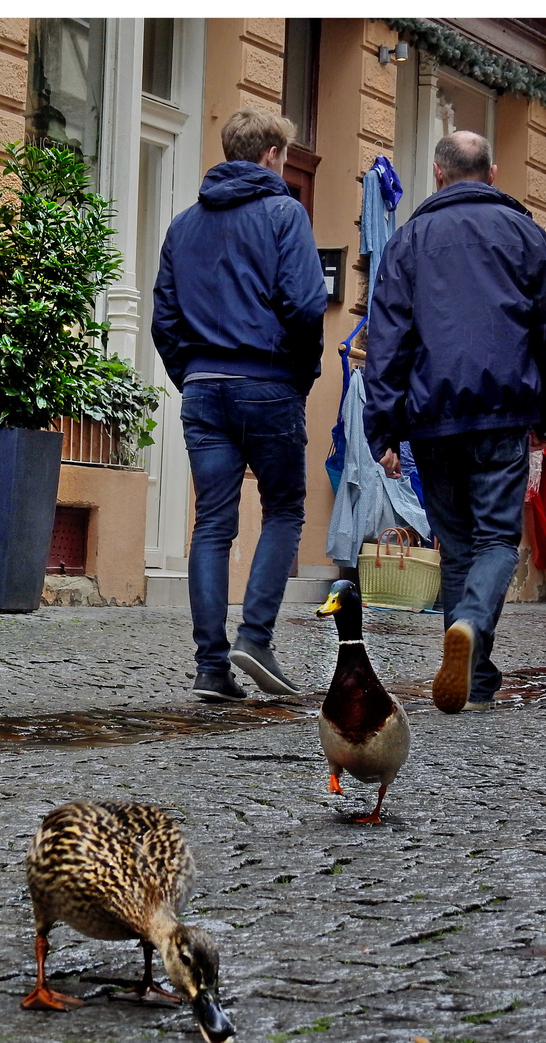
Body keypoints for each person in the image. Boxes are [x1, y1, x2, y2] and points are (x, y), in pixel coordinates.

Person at [363, 130, 546, 714]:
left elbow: (388, 340)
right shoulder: (527, 236)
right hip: (503, 411)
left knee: (457, 545)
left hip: (432, 415)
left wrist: (381, 426)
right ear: (494, 171)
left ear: (437, 172)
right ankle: (473, 631)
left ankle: (476, 677)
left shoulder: (409, 240)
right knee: (497, 540)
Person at [152, 108, 327, 703]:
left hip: (204, 387)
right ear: (273, 156)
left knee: (212, 524)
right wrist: (298, 374)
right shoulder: (285, 214)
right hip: (268, 382)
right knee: (283, 509)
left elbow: (164, 319)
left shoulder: (184, 226)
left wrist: (192, 375)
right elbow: (305, 306)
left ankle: (211, 667)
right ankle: (254, 637)